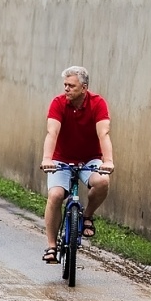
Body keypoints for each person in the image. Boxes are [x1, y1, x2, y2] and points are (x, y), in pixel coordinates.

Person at [39, 65, 114, 263]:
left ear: (84, 88)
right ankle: (52, 246)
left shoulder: (98, 103)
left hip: (90, 159)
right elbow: (52, 132)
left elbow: (104, 133)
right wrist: (47, 159)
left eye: (71, 86)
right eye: (65, 85)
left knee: (103, 182)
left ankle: (87, 216)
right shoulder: (58, 103)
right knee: (55, 195)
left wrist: (108, 161)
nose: (66, 89)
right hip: (61, 159)